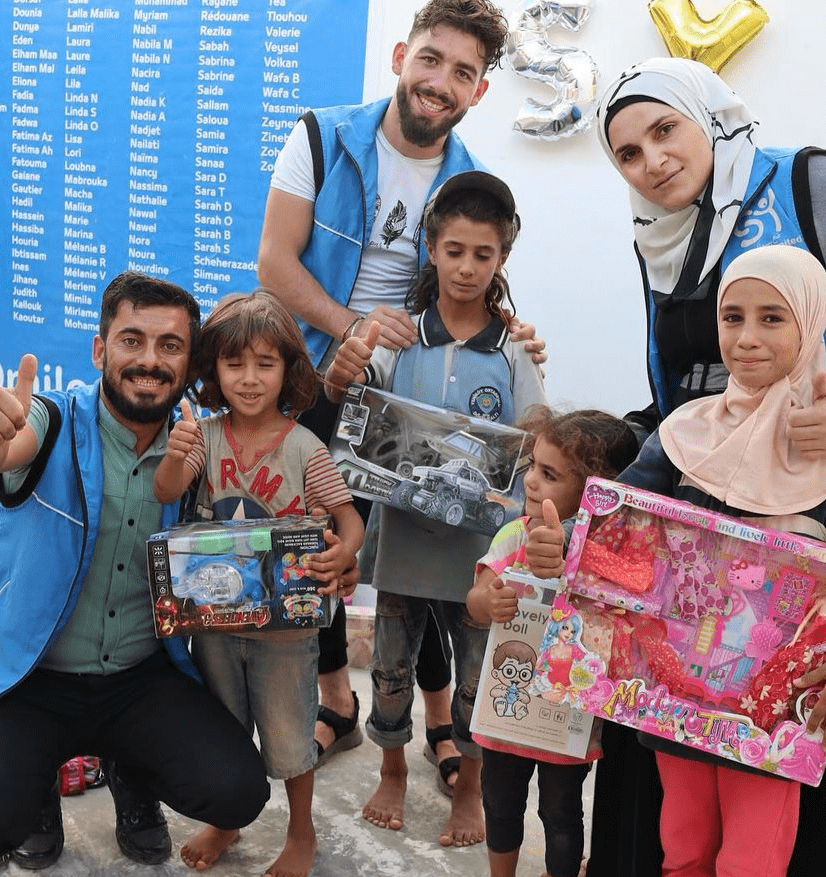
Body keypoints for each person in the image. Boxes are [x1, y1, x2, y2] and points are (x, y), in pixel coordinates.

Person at [584, 57, 826, 877]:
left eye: (666, 130)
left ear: (710, 118)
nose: (653, 161)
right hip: (717, 535)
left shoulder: (811, 182)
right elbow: (683, 383)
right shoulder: (660, 232)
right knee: (690, 779)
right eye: (628, 152)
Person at [256, 0, 545, 793]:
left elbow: (474, 275)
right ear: (399, 57)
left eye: (463, 72)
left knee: (421, 535)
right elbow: (275, 264)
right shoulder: (322, 136)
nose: (440, 81)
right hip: (315, 371)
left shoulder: (472, 179)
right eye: (431, 59)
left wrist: (514, 335)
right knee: (315, 546)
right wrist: (355, 330)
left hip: (411, 392)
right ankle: (337, 698)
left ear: (479, 91)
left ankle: (439, 715)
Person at [593, 245, 826, 876]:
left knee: (751, 862)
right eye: (732, 316)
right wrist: (559, 547)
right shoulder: (682, 433)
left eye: (773, 317)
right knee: (683, 848)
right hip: (676, 698)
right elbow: (613, 525)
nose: (746, 338)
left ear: (811, 323)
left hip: (774, 711)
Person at [0, 272, 271, 871]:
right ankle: (38, 787)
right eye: (131, 340)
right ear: (99, 350)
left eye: (170, 346)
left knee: (238, 791)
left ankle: (129, 770)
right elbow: (2, 448)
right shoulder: (52, 420)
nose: (150, 360)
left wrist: (322, 561)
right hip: (32, 679)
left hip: (140, 678)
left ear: (188, 363)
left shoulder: (198, 448)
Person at [324, 170, 546, 847]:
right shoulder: (397, 337)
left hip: (481, 556)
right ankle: (391, 769)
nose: (467, 267)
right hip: (403, 542)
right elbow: (350, 404)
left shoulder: (513, 350)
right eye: (454, 251)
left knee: (478, 677)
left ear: (504, 257)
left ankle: (470, 786)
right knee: (390, 670)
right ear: (430, 248)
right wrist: (346, 365)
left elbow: (534, 436)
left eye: (483, 254)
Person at [152, 290, 364, 877]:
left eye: (265, 364)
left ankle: (301, 830)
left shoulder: (305, 448)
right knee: (224, 730)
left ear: (288, 370)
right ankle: (229, 819)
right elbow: (167, 491)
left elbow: (348, 520)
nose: (249, 379)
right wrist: (175, 454)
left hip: (287, 635)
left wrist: (342, 554)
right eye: (234, 363)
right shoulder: (204, 437)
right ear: (214, 370)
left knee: (291, 737)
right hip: (213, 626)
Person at [467, 408, 638, 877]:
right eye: (532, 466)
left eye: (550, 474)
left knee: (561, 813)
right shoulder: (514, 534)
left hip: (568, 721)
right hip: (507, 711)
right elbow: (475, 599)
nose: (530, 480)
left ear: (594, 491)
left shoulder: (612, 557)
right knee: (499, 802)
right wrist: (490, 600)